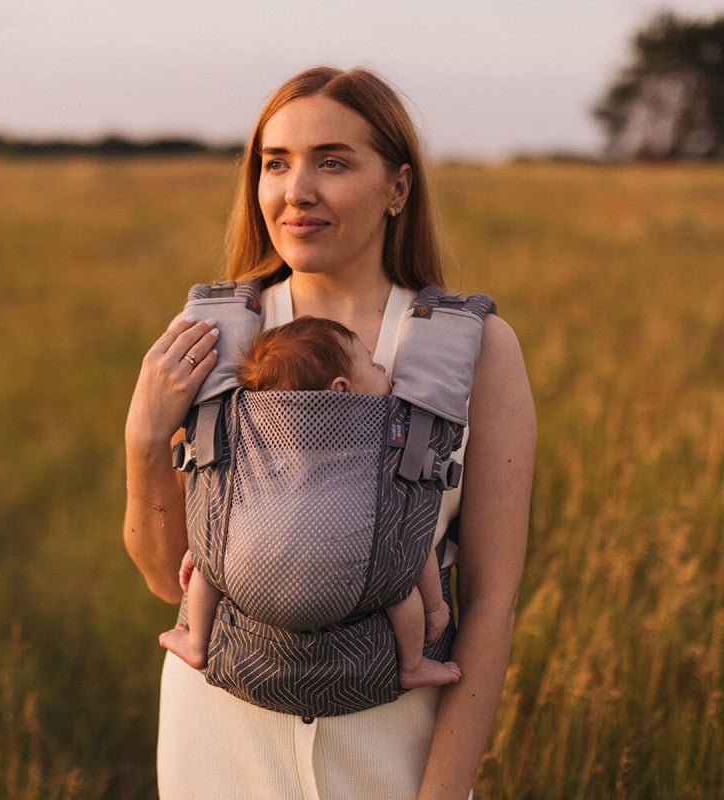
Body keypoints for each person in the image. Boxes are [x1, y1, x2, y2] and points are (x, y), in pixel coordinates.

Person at [124, 66, 535, 800]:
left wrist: (441, 792)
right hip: (219, 744)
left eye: (333, 162)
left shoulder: (476, 348)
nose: (296, 190)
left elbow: (491, 602)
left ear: (398, 187)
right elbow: (168, 581)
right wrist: (146, 443)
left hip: (393, 750)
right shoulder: (214, 338)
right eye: (275, 163)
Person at [158, 315, 462, 690]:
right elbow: (415, 537)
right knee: (405, 562)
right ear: (340, 389)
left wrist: (200, 554)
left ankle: (196, 644)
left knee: (209, 569)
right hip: (352, 571)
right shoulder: (378, 434)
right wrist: (435, 610)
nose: (381, 366)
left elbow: (217, 506)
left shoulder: (255, 432)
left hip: (248, 569)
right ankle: (413, 665)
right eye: (370, 362)